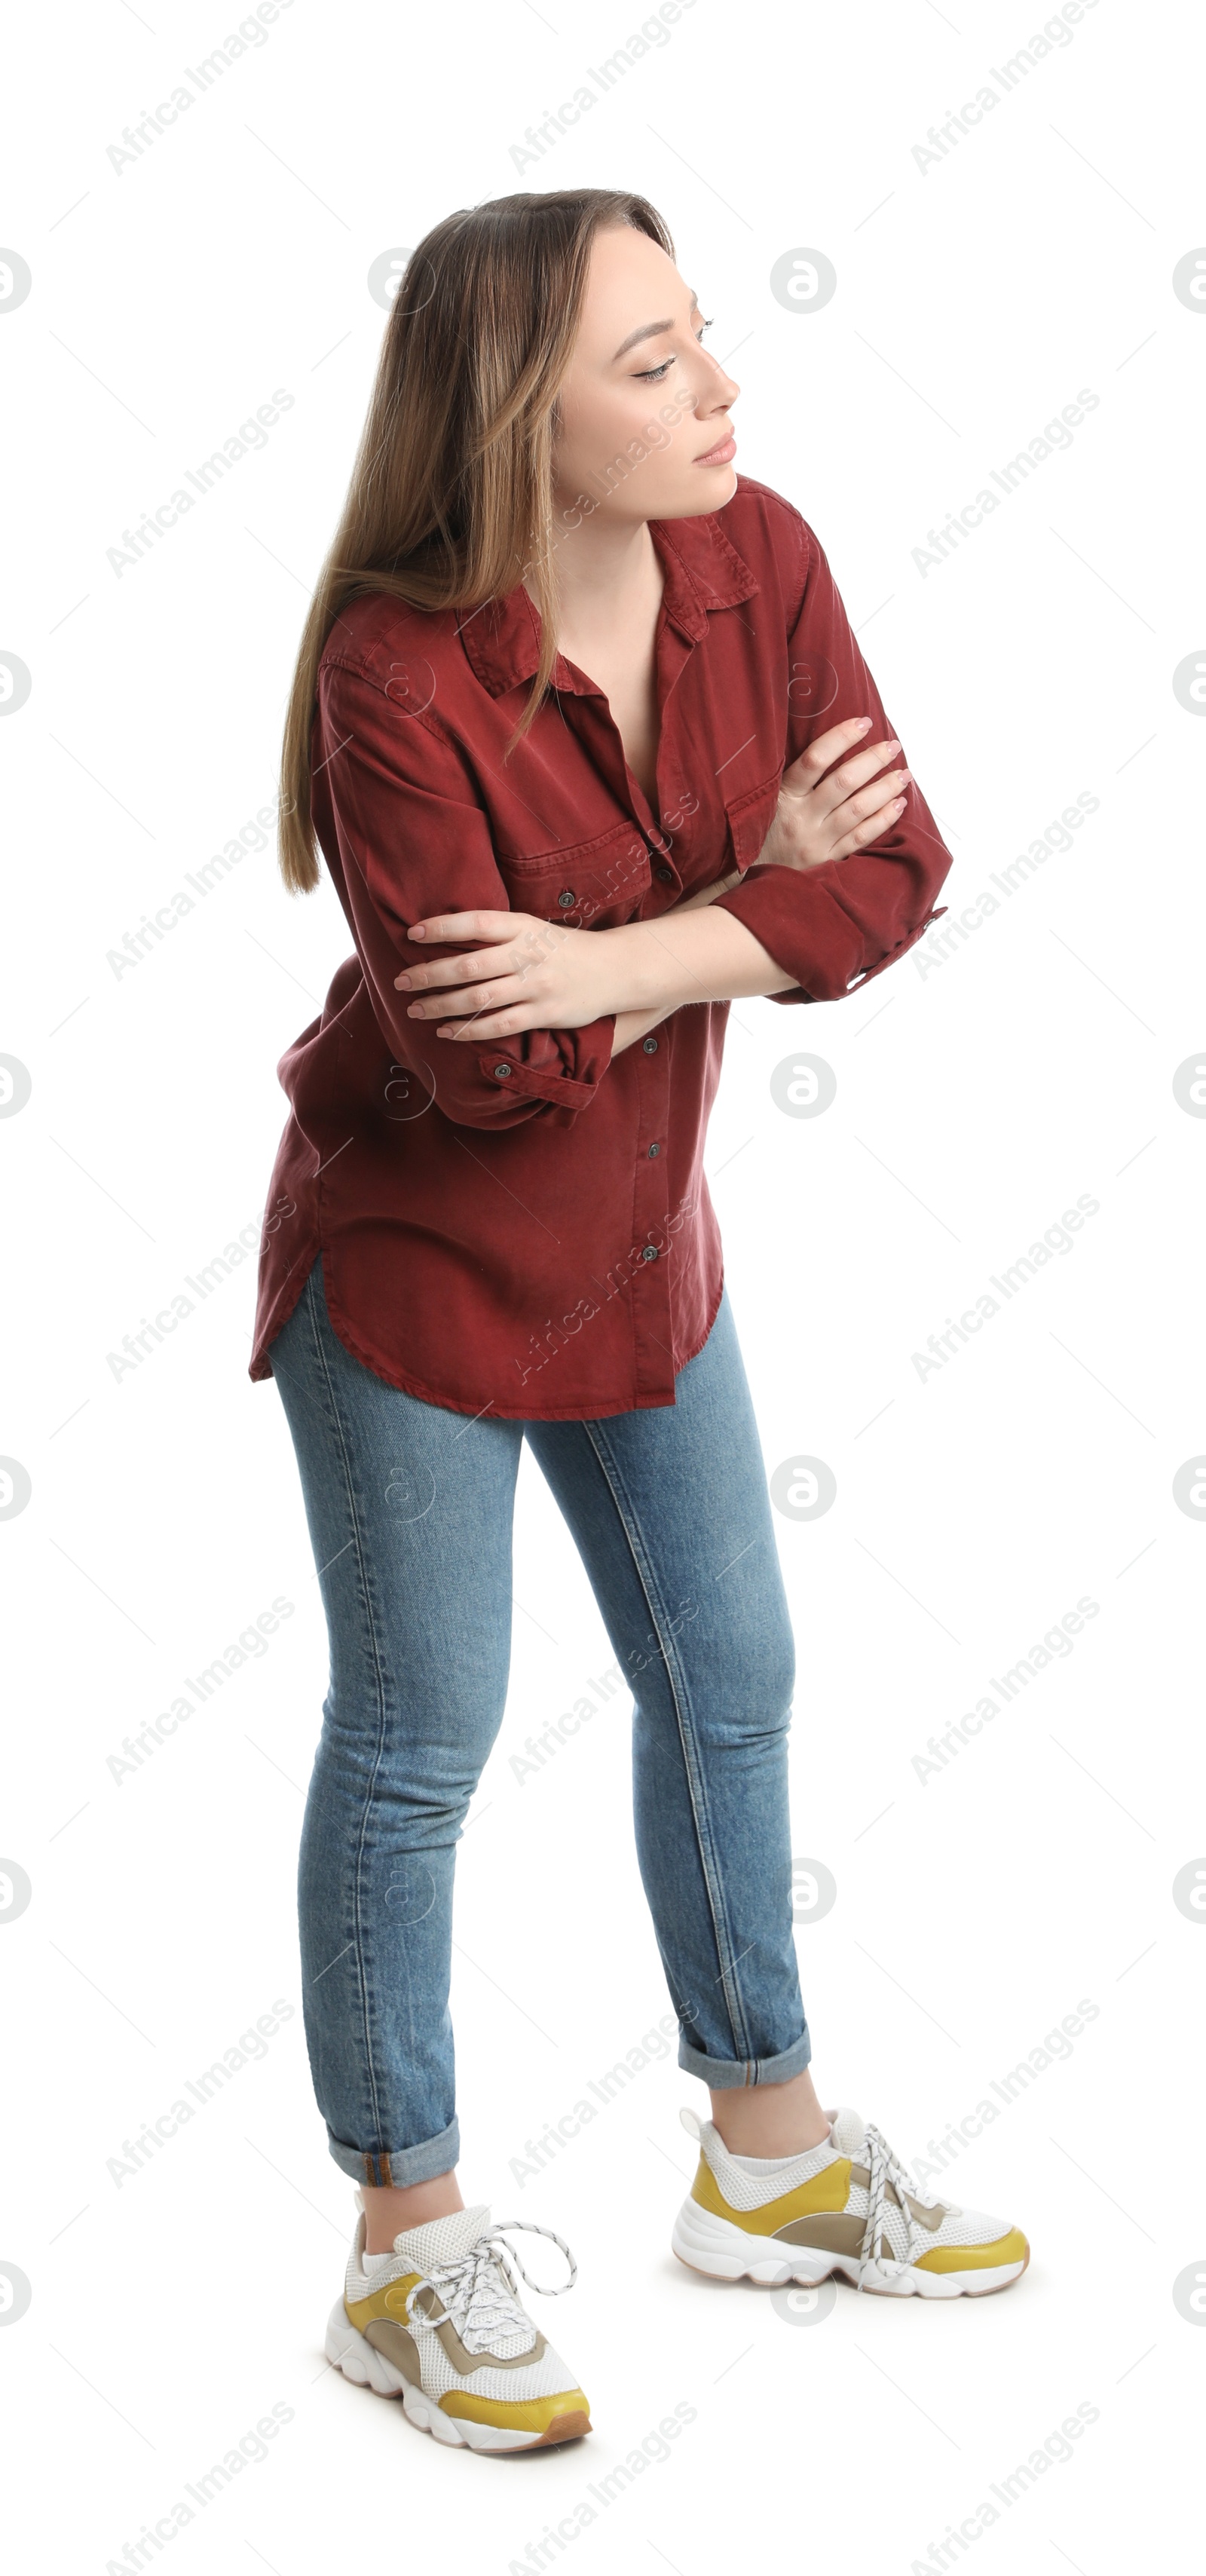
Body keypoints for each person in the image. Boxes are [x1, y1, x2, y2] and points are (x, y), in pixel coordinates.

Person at [249, 187, 1029, 2457]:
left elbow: (893, 876)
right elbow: (488, 1066)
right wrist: (723, 894)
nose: (722, 389)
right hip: (412, 1264)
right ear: (521, 413)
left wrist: (619, 950)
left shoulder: (754, 552)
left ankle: (763, 2150)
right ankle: (403, 2251)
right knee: (422, 1742)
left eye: (703, 340)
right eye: (656, 360)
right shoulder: (393, 671)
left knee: (734, 1670)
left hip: (644, 1238)